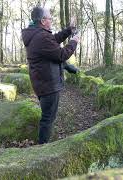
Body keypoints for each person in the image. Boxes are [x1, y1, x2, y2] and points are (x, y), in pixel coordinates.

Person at [21, 6, 80, 144]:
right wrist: (74, 41)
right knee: (48, 118)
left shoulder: (37, 34)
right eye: (49, 18)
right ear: (42, 21)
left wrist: (69, 30)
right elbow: (61, 54)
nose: (51, 20)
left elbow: (53, 40)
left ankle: (43, 145)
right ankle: (42, 149)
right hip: (48, 85)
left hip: (43, 83)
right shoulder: (41, 36)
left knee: (47, 116)